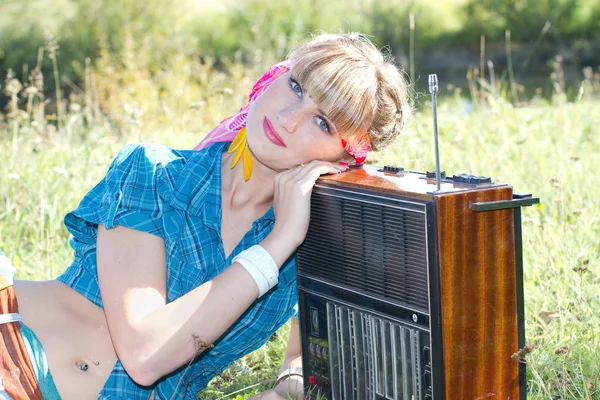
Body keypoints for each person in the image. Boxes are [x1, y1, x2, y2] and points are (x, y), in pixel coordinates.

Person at [0, 32, 410, 399]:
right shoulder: (154, 173)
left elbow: (305, 358)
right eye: (296, 86)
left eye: (321, 122)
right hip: (15, 347)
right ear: (272, 77)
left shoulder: (310, 243)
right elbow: (144, 354)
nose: (288, 118)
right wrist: (276, 245)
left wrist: (286, 390)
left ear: (343, 158)